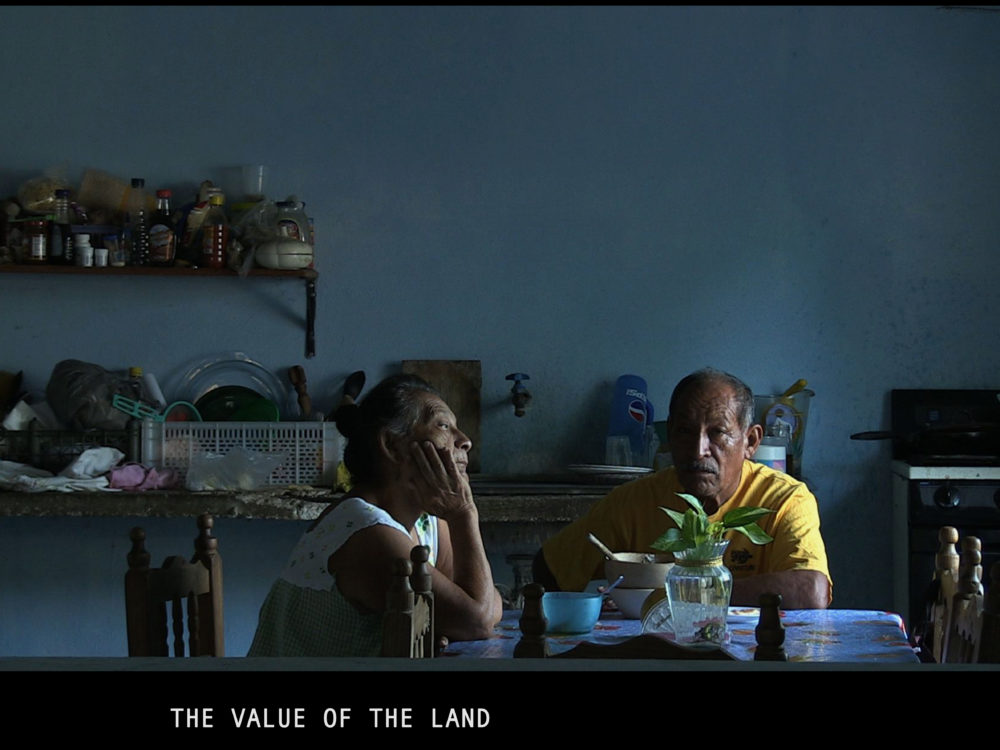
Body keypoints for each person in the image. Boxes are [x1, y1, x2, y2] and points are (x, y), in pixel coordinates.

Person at [534, 367, 832, 609]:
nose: (698, 450)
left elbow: (811, 591)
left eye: (717, 432)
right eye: (684, 431)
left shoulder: (784, 500)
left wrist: (677, 596)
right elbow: (548, 570)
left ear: (751, 442)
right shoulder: (635, 501)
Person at [248, 373, 502, 656]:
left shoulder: (426, 520)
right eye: (443, 425)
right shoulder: (366, 531)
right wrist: (464, 513)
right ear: (391, 445)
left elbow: (483, 603)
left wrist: (452, 619)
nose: (465, 441)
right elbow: (477, 620)